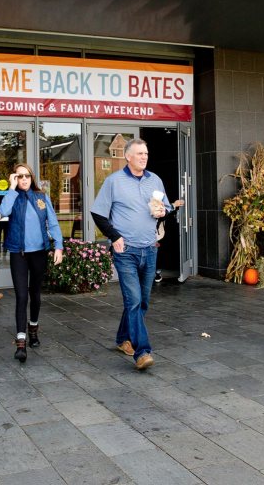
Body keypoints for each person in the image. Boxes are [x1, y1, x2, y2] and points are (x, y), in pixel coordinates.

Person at [91, 138, 170, 371]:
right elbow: (98, 214)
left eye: (146, 153)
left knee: (142, 302)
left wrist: (163, 211)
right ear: (127, 156)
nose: (144, 157)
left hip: (149, 248)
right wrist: (115, 236)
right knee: (133, 300)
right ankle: (142, 351)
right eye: (139, 153)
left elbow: (163, 209)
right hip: (125, 251)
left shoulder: (154, 180)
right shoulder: (113, 181)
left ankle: (122, 338)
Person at [0, 163, 64, 363]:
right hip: (19, 253)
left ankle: (33, 329)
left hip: (39, 253)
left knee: (35, 295)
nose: (23, 179)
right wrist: (10, 188)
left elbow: (52, 222)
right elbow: (3, 212)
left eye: (26, 175)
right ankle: (20, 342)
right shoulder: (11, 196)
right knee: (21, 296)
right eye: (19, 176)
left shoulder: (41, 197)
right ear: (14, 178)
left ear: (31, 177)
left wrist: (58, 246)